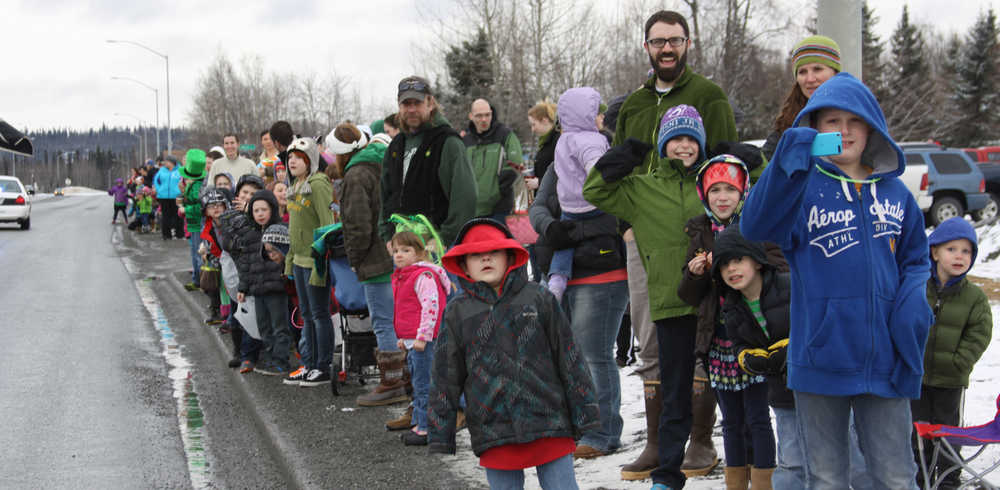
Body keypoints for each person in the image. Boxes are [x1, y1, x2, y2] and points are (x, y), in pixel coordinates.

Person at [740, 72, 934, 488]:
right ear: (815, 128)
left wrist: (913, 302)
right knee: (827, 479)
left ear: (871, 128)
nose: (844, 132)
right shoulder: (801, 189)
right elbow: (755, 226)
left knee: (896, 477)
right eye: (831, 122)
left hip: (885, 358)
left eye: (854, 121)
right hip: (819, 360)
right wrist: (784, 166)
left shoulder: (897, 194)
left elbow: (917, 257)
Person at [607, 11, 738, 483]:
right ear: (646, 46)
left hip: (704, 240)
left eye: (675, 40)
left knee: (707, 337)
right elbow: (617, 167)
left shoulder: (708, 95)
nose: (667, 48)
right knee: (653, 341)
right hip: (647, 240)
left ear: (687, 44)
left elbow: (727, 157)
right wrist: (626, 226)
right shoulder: (634, 104)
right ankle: (661, 442)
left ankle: (700, 441)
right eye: (658, 41)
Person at [584, 104, 732, 484]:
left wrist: (748, 158)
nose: (684, 146)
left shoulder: (713, 183)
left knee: (734, 387)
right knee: (676, 394)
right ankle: (667, 473)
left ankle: (745, 465)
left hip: (722, 304)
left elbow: (756, 192)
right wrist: (625, 155)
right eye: (676, 139)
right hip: (672, 305)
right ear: (663, 145)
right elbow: (594, 189)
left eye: (691, 139)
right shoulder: (641, 190)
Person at [428, 218, 599, 489]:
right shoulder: (457, 312)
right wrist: (440, 431)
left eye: (493, 251)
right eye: (475, 254)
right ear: (463, 265)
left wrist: (585, 410)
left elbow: (569, 356)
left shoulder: (538, 299)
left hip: (549, 420)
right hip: (493, 428)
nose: (485, 257)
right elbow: (445, 375)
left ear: (510, 255)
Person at [676, 155, 780, 488]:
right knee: (732, 421)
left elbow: (779, 270)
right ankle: (736, 482)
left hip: (752, 339)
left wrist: (750, 266)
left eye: (730, 190)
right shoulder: (700, 231)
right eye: (715, 190)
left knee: (758, 418)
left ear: (743, 192)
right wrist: (697, 274)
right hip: (718, 343)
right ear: (705, 195)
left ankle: (763, 480)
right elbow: (689, 296)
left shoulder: (758, 224)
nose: (722, 197)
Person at [326, 122, 409, 407]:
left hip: (375, 259)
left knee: (383, 323)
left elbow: (357, 224)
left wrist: (355, 258)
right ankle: (408, 377)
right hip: (398, 252)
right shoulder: (381, 162)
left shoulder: (356, 175)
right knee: (401, 320)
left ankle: (392, 382)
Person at [912, 217, 993, 488]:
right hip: (916, 380)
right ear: (934, 252)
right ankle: (919, 481)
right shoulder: (918, 287)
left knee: (949, 436)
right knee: (916, 435)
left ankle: (949, 482)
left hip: (951, 382)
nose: (959, 256)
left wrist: (961, 361)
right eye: (952, 249)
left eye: (966, 251)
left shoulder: (974, 297)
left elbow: (980, 332)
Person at [380, 75, 477, 248]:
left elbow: (465, 197)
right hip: (403, 247)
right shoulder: (396, 145)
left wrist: (444, 238)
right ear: (399, 106)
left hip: (437, 246)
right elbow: (385, 194)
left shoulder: (447, 141)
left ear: (430, 103)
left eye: (417, 103)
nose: (411, 109)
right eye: (406, 104)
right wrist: (387, 235)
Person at [545, 87, 610, 302]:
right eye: (598, 113)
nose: (602, 118)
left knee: (565, 243)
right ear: (587, 116)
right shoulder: (591, 140)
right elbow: (597, 171)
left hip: (569, 208)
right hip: (593, 204)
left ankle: (557, 279)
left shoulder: (563, 140)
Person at [389, 230, 450, 445]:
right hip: (413, 340)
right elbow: (406, 310)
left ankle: (426, 428)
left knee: (425, 384)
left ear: (420, 253)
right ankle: (419, 423)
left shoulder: (423, 276)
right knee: (417, 381)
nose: (399, 255)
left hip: (424, 341)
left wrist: (422, 336)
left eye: (406, 250)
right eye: (396, 250)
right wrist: (403, 337)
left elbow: (430, 307)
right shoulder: (403, 277)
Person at [283, 136, 336, 387]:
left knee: (319, 313)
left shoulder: (318, 184)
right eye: (290, 157)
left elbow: (327, 225)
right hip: (299, 261)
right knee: (305, 314)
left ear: (311, 159)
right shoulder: (295, 184)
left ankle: (323, 366)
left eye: (299, 157)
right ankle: (309, 363)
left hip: (315, 260)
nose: (292, 161)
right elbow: (294, 228)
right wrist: (289, 260)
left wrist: (321, 261)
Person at [762, 35, 841, 161]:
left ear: (835, 72)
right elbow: (767, 164)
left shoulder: (857, 112)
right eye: (802, 72)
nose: (809, 79)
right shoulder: (790, 120)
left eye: (817, 69)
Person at [238, 192, 291, 377]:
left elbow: (286, 257)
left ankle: (281, 360)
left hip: (276, 287)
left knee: (279, 326)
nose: (260, 214)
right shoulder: (250, 234)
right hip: (257, 288)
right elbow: (245, 263)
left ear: (272, 210)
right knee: (264, 327)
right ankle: (271, 357)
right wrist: (242, 287)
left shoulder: (280, 229)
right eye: (256, 210)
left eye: (264, 209)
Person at [463, 98, 523, 220]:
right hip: (471, 209)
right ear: (471, 116)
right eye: (479, 116)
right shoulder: (465, 141)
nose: (484, 119)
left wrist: (497, 190)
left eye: (487, 115)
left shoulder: (505, 135)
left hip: (500, 209)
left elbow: (516, 165)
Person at [178, 149, 207, 292]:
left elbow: (199, 207)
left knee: (198, 253)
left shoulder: (197, 186)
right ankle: (197, 280)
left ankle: (201, 282)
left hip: (197, 223)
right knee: (195, 252)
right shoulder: (195, 184)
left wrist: (185, 209)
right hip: (193, 223)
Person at [527, 100, 559, 182]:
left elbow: (561, 175)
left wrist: (539, 182)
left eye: (534, 124)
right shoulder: (545, 142)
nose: (532, 129)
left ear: (544, 120)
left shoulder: (558, 142)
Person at [153, 155, 184, 240]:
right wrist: (159, 190)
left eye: (167, 161)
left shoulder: (180, 170)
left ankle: (179, 234)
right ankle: (166, 235)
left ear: (172, 162)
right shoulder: (161, 170)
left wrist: (180, 191)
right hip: (163, 197)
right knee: (165, 216)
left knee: (178, 215)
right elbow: (156, 181)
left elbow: (184, 181)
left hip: (177, 196)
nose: (165, 163)